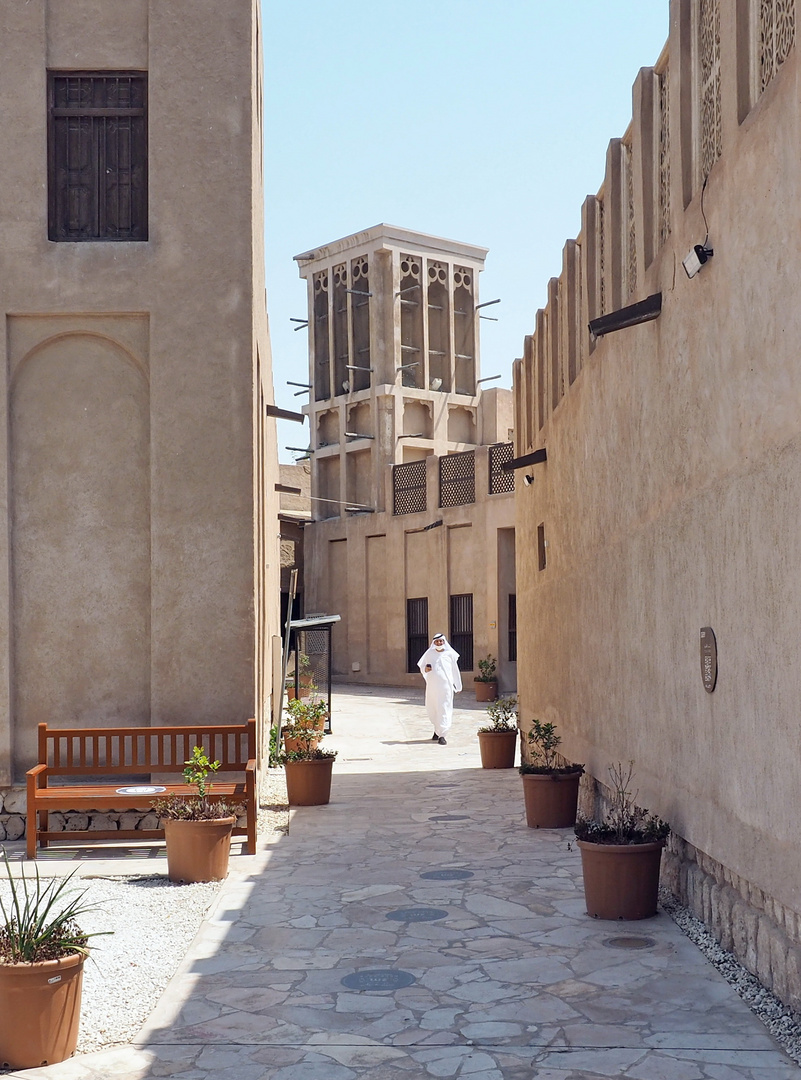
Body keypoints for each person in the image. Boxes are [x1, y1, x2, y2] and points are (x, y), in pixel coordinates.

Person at [417, 633, 462, 744]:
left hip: (446, 687)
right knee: (433, 708)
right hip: (432, 687)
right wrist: (425, 670)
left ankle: (442, 734)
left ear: (444, 642)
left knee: (444, 708)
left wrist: (458, 685)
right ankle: (437, 731)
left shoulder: (450, 654)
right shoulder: (429, 654)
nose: (439, 643)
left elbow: (455, 671)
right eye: (437, 642)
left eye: (441, 641)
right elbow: (422, 667)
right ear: (434, 643)